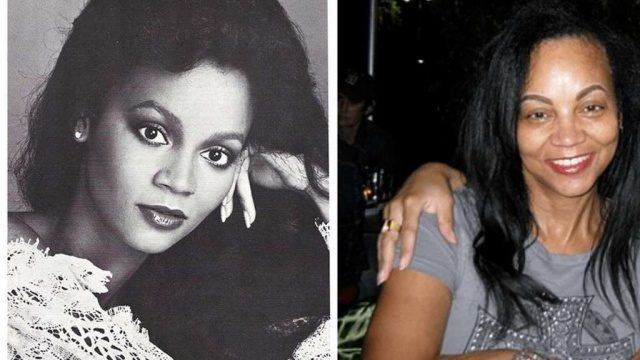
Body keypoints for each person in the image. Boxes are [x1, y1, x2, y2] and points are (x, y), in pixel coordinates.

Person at [8, 0, 328, 358]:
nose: (180, 181)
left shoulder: (176, 310)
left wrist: (314, 189)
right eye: (152, 132)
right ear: (85, 116)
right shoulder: (12, 269)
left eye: (216, 154)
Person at [364, 1, 640, 359]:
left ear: (619, 114)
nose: (569, 136)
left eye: (591, 107)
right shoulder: (446, 225)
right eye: (538, 114)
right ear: (507, 126)